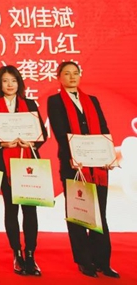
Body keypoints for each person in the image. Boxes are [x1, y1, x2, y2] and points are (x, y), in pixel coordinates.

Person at [46, 61, 119, 278]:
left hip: (98, 166)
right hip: (73, 165)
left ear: (80, 75)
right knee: (78, 214)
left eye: (75, 73)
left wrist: (107, 155)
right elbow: (60, 132)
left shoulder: (92, 100)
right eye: (67, 73)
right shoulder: (55, 101)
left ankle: (103, 262)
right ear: (59, 77)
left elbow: (103, 128)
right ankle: (84, 261)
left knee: (99, 214)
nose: (72, 77)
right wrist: (75, 155)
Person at [0, 65, 48, 276]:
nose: (10, 85)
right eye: (5, 81)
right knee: (11, 209)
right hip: (4, 163)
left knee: (30, 209)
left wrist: (32, 142)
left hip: (27, 164)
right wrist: (2, 143)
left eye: (13, 80)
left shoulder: (30, 104)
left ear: (19, 83)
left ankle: (31, 254)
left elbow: (42, 133)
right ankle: (17, 253)